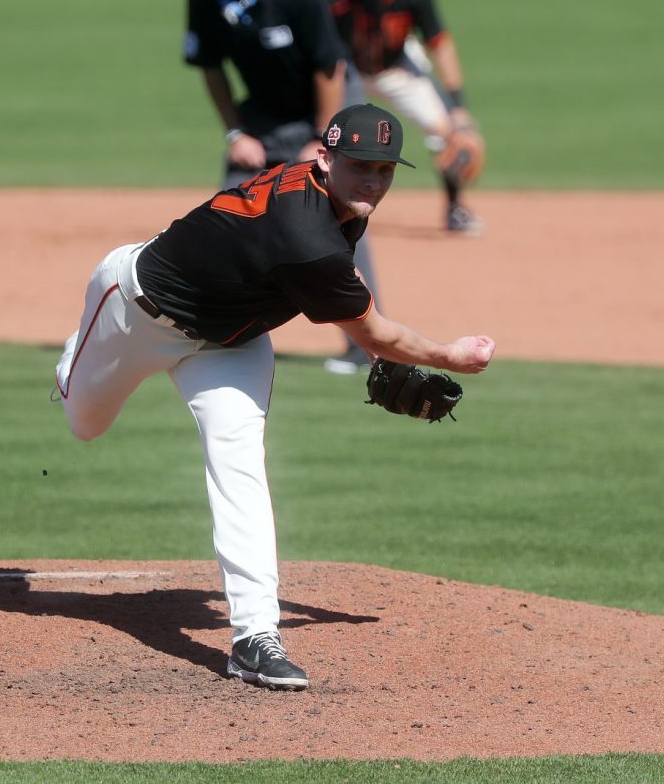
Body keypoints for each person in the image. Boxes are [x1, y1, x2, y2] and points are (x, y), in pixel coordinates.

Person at [53, 104, 496, 691]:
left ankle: (255, 636)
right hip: (135, 310)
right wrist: (449, 355)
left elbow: (346, 289)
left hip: (229, 343)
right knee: (84, 423)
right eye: (360, 165)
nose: (373, 181)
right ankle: (73, 363)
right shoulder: (304, 232)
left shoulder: (335, 203)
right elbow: (375, 333)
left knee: (241, 464)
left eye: (385, 170)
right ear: (324, 158)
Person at [182, 0, 380, 374]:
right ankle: (215, 330)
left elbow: (330, 66)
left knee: (338, 213)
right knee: (228, 211)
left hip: (325, 104)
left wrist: (322, 139)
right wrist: (236, 132)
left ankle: (367, 344)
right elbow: (210, 66)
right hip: (264, 114)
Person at [322, 0, 486, 235]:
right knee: (327, 133)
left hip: (396, 69)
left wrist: (459, 110)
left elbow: (440, 44)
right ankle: (322, 210)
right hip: (345, 71)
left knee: (449, 132)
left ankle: (455, 208)